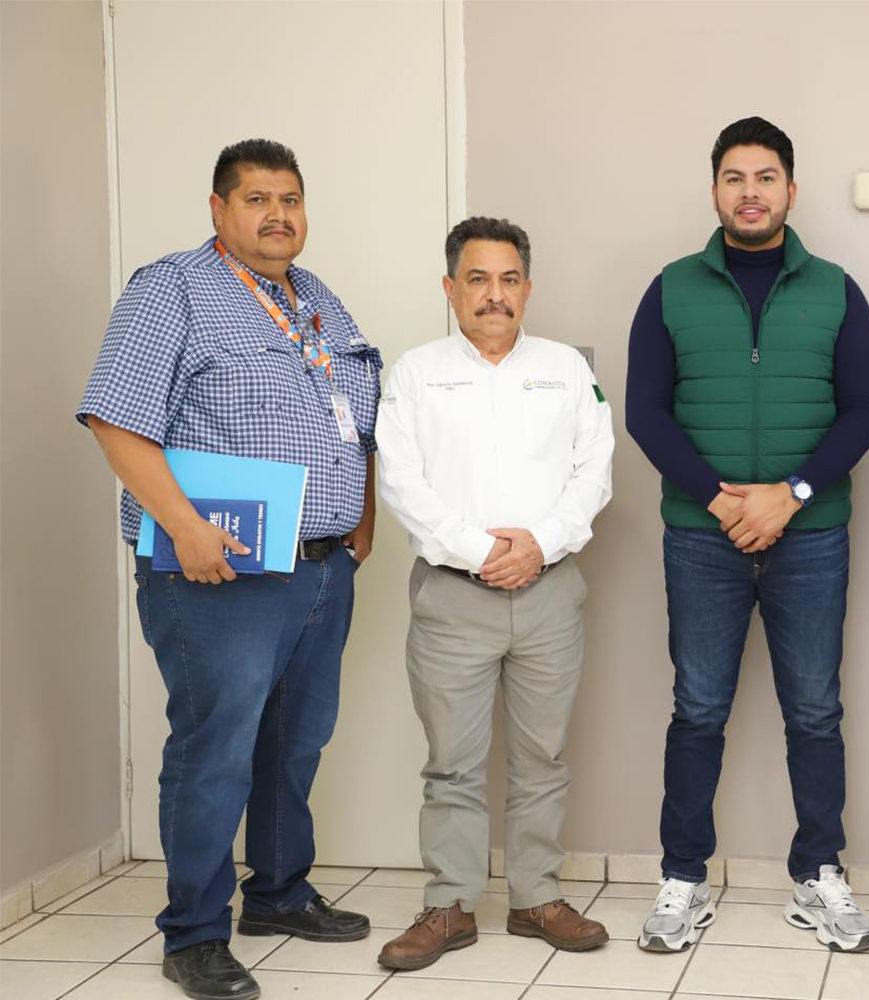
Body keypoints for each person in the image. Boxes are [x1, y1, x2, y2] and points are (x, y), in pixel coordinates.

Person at [77, 138, 378, 1000]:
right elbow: (115, 420)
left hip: (319, 570)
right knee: (215, 749)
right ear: (218, 209)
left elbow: (357, 422)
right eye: (256, 199)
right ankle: (195, 933)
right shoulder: (171, 290)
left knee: (294, 742)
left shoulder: (317, 301)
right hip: (216, 575)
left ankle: (277, 893)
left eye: (291, 199)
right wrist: (184, 526)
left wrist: (358, 521)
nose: (278, 214)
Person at [625, 116, 869, 953]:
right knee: (699, 708)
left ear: (790, 191)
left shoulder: (837, 290)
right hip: (703, 538)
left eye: (765, 177)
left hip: (812, 537)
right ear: (715, 191)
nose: (750, 192)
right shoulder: (670, 289)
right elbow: (645, 414)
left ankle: (819, 875)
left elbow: (863, 414)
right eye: (734, 177)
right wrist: (723, 501)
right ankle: (683, 878)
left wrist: (791, 496)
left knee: (815, 711)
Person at [373, 217, 614, 967]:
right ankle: (450, 904)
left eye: (509, 280)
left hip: (550, 591)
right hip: (452, 597)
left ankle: (537, 897)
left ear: (528, 289)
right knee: (453, 761)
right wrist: (483, 553)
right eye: (477, 279)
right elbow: (400, 482)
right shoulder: (415, 373)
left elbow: (594, 471)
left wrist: (538, 545)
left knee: (543, 756)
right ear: (450, 289)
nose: (494, 295)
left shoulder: (565, 370)